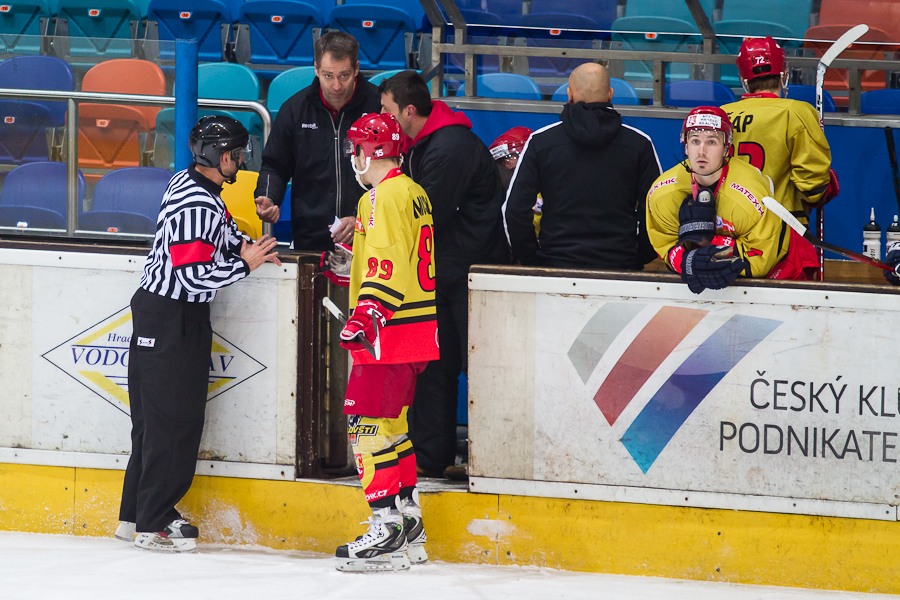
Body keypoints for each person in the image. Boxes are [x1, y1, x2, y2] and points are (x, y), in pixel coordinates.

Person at [116, 115, 281, 552]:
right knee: (173, 421)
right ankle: (153, 522)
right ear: (220, 156)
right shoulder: (198, 204)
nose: (241, 161)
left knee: (154, 422)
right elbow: (192, 276)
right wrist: (245, 264)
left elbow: (219, 231)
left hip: (164, 314)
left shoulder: (194, 185)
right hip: (173, 317)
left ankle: (135, 514)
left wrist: (246, 245)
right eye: (237, 154)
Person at [379, 71, 510, 479]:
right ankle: (430, 456)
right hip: (442, 274)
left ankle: (492, 459)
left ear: (409, 111)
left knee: (478, 368)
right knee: (434, 367)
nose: (382, 118)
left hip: (471, 276)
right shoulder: (422, 144)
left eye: (386, 110)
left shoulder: (450, 146)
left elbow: (424, 214)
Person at [331, 112, 438, 572]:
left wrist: (367, 312)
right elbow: (396, 253)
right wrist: (351, 264)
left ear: (367, 151)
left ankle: (385, 528)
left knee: (366, 427)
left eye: (355, 148)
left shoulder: (377, 197)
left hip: (386, 335)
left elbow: (388, 263)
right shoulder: (413, 191)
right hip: (415, 332)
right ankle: (409, 521)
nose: (352, 156)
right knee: (394, 428)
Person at [646, 106, 819, 294]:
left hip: (780, 273)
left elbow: (760, 261)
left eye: (711, 142)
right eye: (695, 141)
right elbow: (665, 245)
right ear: (686, 146)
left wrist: (710, 248)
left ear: (727, 149)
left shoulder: (749, 196)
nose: (701, 151)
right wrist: (690, 261)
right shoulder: (663, 193)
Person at [503, 63, 660, 270]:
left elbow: (514, 210)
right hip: (621, 265)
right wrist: (638, 256)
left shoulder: (541, 142)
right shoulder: (639, 143)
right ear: (610, 94)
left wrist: (531, 259)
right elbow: (656, 209)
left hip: (555, 265)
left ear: (569, 94)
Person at [254, 31, 381, 251]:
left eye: (344, 75)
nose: (336, 86)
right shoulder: (294, 109)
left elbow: (396, 174)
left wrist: (361, 218)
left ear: (356, 69)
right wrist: (268, 196)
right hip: (311, 235)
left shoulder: (378, 106)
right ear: (316, 69)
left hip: (370, 234)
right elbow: (275, 165)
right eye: (328, 76)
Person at [722, 36, 838, 226]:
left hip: (732, 223)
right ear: (784, 74)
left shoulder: (723, 114)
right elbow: (812, 187)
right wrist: (825, 188)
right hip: (783, 225)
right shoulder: (796, 111)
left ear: (743, 79)